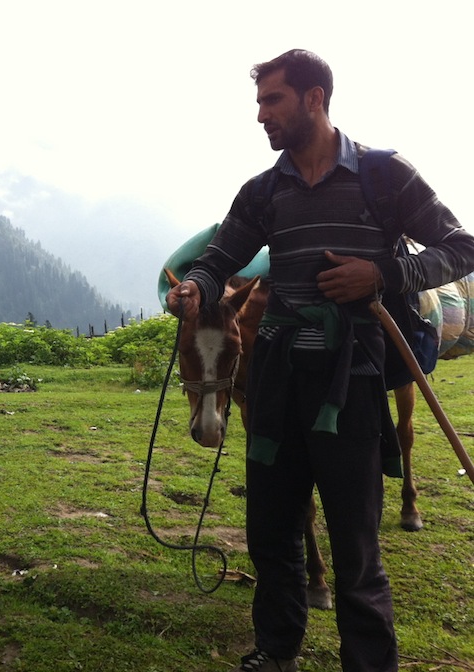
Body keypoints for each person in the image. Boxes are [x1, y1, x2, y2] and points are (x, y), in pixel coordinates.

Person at [166, 50, 474, 672]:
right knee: (271, 533)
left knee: (355, 544)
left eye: (271, 100)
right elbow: (219, 259)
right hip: (277, 379)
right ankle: (276, 651)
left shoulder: (384, 176)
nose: (260, 115)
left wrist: (383, 272)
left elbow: (460, 246)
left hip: (352, 381)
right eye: (258, 103)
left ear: (314, 99)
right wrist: (196, 286)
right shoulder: (263, 191)